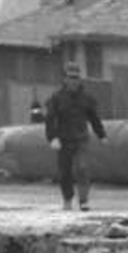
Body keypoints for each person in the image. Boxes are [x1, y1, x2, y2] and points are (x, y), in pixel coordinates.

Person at [42, 60, 106, 211]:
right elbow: (50, 119)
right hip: (63, 141)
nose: (73, 80)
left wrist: (101, 134)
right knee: (65, 172)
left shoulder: (87, 99)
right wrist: (53, 138)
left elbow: (94, 118)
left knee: (82, 169)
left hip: (81, 140)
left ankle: (83, 201)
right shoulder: (56, 98)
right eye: (70, 77)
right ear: (65, 79)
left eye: (76, 77)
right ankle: (68, 199)